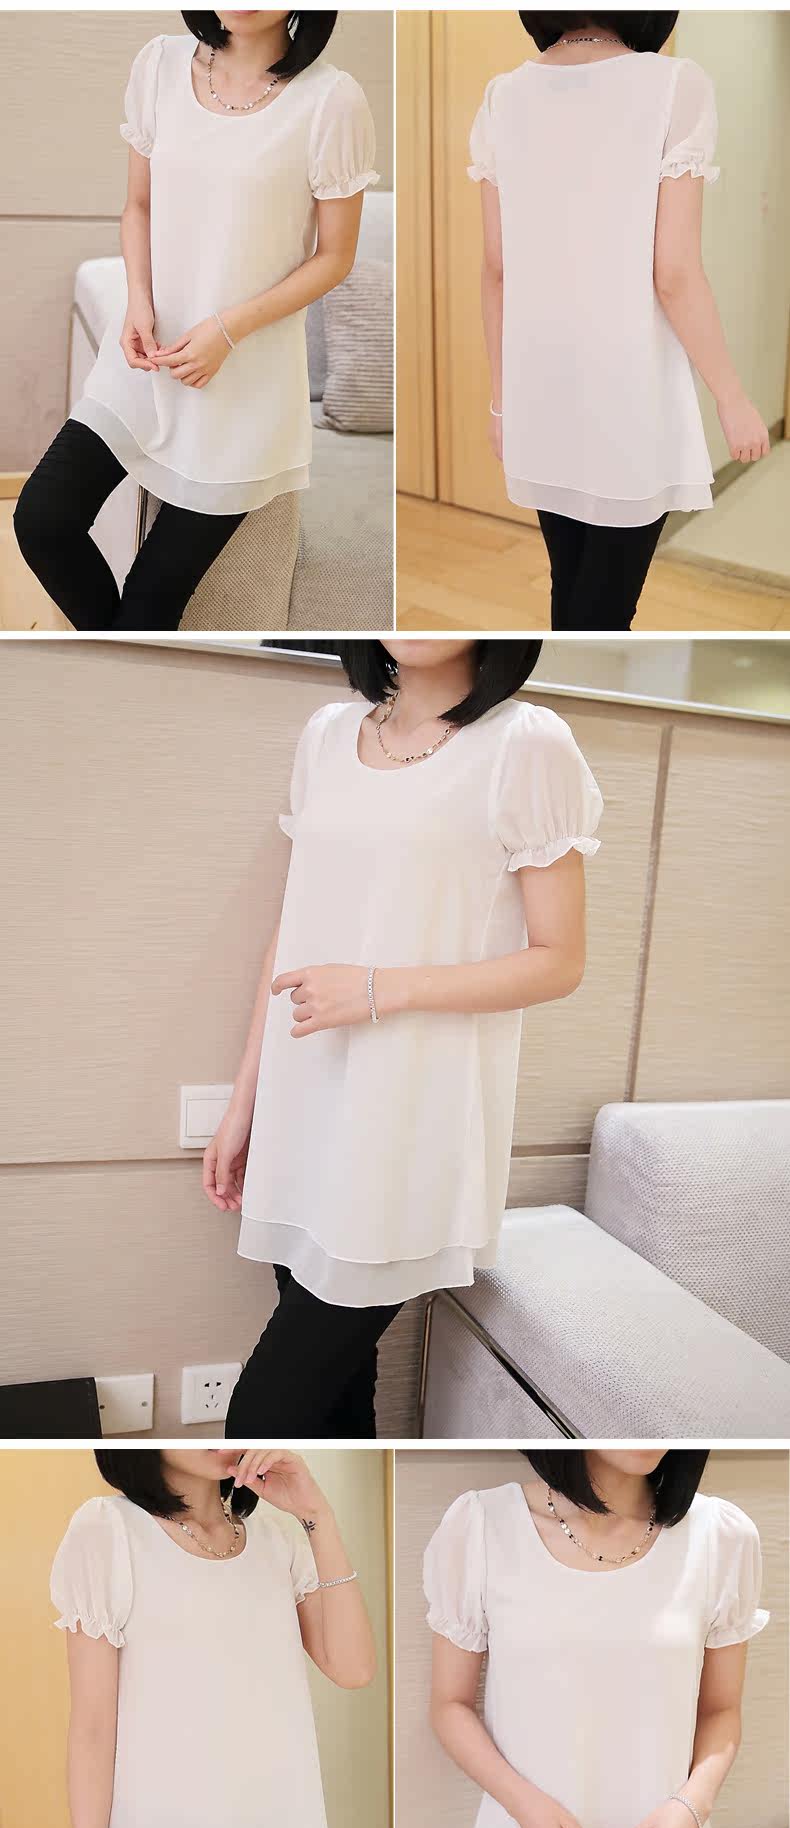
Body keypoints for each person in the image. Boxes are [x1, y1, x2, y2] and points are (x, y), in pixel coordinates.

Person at [203, 637, 602, 1438]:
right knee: (336, 1399)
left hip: (408, 1120)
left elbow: (560, 961)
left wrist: (379, 987)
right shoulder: (326, 734)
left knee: (264, 1416)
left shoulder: (525, 744)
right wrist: (246, 1101)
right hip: (303, 1105)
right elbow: (293, 928)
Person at [14, 11, 377, 629]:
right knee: (42, 519)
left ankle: (117, 669)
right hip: (143, 365)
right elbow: (138, 205)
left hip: (241, 390)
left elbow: (334, 257)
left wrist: (227, 330)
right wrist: (138, 298)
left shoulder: (331, 100)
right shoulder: (159, 64)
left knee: (150, 608)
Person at [425, 1447, 768, 1828]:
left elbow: (721, 1710)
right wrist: (527, 1808)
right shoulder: (482, 1527)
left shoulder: (720, 1537)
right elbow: (450, 1706)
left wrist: (691, 1807)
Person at [51, 1445, 375, 1828]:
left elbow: (354, 1667)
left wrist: (318, 1515)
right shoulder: (109, 1530)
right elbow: (91, 1733)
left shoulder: (276, 1536)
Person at [472, 12, 770, 630]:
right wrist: (733, 397)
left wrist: (502, 405)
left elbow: (497, 269)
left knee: (570, 584)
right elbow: (675, 273)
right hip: (628, 400)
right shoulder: (676, 85)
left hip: (539, 393)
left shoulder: (503, 96)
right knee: (605, 609)